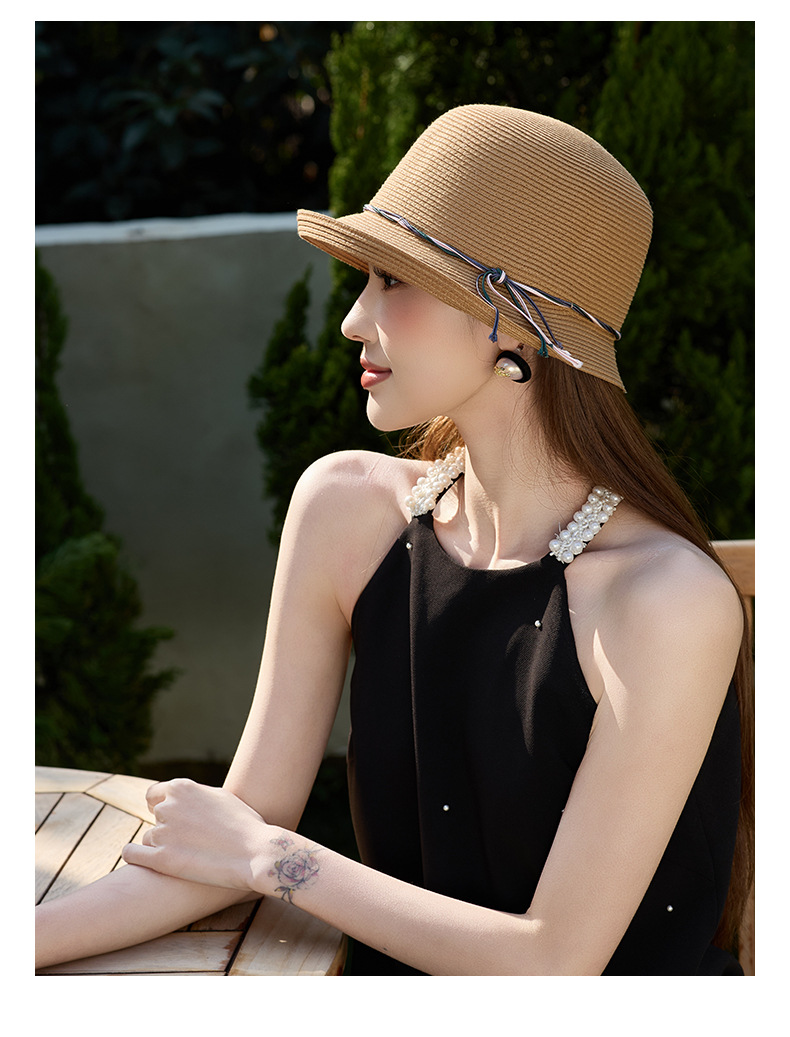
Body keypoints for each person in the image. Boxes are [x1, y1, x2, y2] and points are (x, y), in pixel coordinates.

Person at [35, 104, 753, 976]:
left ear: (512, 325)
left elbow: (553, 964)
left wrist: (272, 859)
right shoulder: (344, 510)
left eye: (394, 281)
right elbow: (227, 835)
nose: (352, 320)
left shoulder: (665, 602)